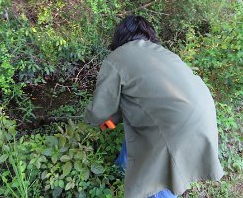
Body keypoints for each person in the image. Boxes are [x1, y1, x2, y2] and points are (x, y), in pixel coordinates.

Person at [84, 15, 224, 198]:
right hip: (203, 112)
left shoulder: (116, 58)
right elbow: (128, 108)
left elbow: (101, 111)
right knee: (138, 123)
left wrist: (91, 122)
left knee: (155, 181)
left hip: (173, 125)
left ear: (120, 36)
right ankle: (121, 166)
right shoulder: (162, 52)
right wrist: (110, 123)